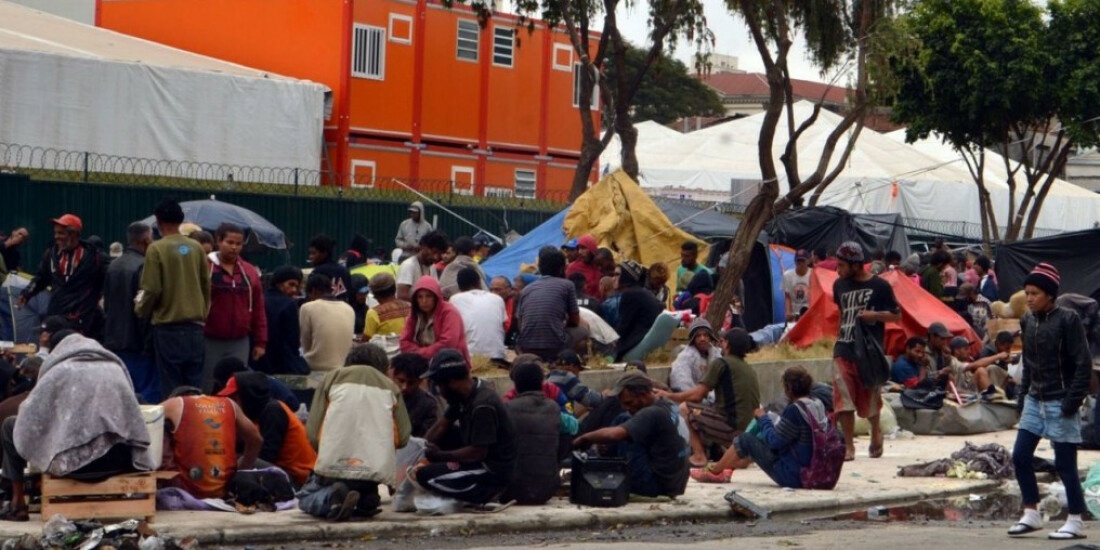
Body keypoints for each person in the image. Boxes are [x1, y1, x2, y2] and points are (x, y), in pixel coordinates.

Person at [0, 333, 156, 521]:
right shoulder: (115, 368)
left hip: (72, 466)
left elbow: (31, 418)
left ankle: (18, 504)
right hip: (122, 462)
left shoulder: (60, 372)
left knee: (10, 426)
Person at [1008, 263, 1092, 539]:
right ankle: (1031, 513)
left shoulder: (1068, 320)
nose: (1029, 298)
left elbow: (1083, 364)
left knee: (1065, 463)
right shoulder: (1028, 321)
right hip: (1035, 399)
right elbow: (1029, 364)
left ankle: (1076, 520)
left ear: (1050, 295)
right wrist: (1022, 397)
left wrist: (1071, 401)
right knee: (1020, 456)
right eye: (1027, 293)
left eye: (1035, 293)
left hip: (1060, 400)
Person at [300, 346, 411, 521]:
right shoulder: (391, 387)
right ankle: (368, 498)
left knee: (305, 497)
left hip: (334, 469)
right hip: (375, 473)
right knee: (365, 483)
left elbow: (313, 433)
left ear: (349, 362)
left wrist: (329, 454)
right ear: (383, 367)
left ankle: (332, 499)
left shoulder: (332, 379)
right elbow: (404, 437)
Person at [692, 366, 830, 489]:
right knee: (761, 425)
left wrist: (764, 419)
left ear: (789, 389)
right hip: (814, 469)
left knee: (745, 439)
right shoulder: (817, 404)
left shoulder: (795, 410)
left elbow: (774, 442)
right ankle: (726, 467)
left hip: (794, 476)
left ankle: (716, 471)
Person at [414, 349, 516, 504]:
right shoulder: (463, 396)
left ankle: (486, 493)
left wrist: (440, 455)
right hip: (474, 455)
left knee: (426, 477)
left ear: (452, 382)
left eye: (439, 385)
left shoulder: (483, 405)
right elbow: (441, 427)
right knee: (444, 436)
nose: (439, 391)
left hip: (491, 468)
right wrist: (423, 449)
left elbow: (478, 453)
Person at [135, 198, 212, 397]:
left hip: (168, 329)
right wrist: (202, 313)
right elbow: (206, 285)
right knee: (195, 388)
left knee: (173, 389)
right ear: (181, 220)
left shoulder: (156, 249)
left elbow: (152, 289)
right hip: (196, 329)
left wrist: (140, 309)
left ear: (158, 222)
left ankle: (176, 427)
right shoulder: (196, 248)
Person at [832, 241, 899, 461]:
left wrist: (875, 316)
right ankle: (849, 445)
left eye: (841, 265)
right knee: (843, 398)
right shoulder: (839, 285)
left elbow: (896, 316)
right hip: (843, 347)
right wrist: (839, 335)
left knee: (870, 396)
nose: (838, 270)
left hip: (869, 351)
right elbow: (842, 313)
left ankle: (875, 432)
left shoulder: (880, 287)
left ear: (855, 264)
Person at [572, 372, 690, 498]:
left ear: (643, 395)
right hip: (677, 483)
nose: (625, 407)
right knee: (624, 418)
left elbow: (614, 435)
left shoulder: (652, 413)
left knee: (624, 429)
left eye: (629, 402)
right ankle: (603, 455)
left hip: (657, 485)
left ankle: (605, 465)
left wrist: (583, 438)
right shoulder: (668, 404)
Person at [660, 328, 761, 468]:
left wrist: (669, 395)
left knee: (685, 408)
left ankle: (699, 455)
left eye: (723, 340)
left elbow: (696, 395)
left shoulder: (721, 363)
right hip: (748, 433)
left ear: (727, 344)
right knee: (715, 409)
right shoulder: (748, 368)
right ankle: (733, 456)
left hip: (732, 430)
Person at [162, 387, 262, 499]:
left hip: (188, 492)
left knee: (157, 431)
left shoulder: (175, 404)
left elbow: (146, 418)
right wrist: (241, 471)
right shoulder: (229, 404)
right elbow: (256, 439)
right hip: (226, 490)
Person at [219, 372, 316, 487]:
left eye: (235, 399)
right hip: (281, 472)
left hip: (296, 480)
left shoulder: (273, 411)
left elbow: (265, 455)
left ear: (248, 396)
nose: (233, 404)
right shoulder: (256, 414)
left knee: (238, 460)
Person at [18, 213, 106, 339]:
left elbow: (104, 279)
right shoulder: (51, 254)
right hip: (57, 314)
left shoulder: (93, 256)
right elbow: (41, 278)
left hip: (81, 317)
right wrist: (26, 293)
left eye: (61, 233)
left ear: (73, 234)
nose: (56, 237)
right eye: (55, 233)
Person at [203, 223, 267, 392]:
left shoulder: (249, 272)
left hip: (240, 340)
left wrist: (260, 341)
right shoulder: (204, 266)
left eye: (238, 244)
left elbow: (258, 307)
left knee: (238, 384)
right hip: (209, 339)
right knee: (209, 383)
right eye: (230, 242)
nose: (234, 247)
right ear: (219, 241)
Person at [103, 222, 159, 403]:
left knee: (122, 391)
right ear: (146, 239)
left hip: (115, 340)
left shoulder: (113, 266)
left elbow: (107, 305)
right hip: (138, 342)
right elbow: (143, 307)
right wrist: (148, 342)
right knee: (146, 394)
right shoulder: (144, 267)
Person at [503, 361, 569, 505]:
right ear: (541, 383)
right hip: (548, 489)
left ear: (516, 385)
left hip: (511, 489)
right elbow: (574, 428)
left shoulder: (507, 408)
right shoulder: (554, 408)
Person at [515, 247, 587, 362]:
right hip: (555, 347)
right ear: (561, 269)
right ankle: (569, 364)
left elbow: (520, 324)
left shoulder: (526, 290)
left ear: (539, 267)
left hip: (526, 347)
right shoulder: (567, 285)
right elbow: (575, 320)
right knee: (583, 332)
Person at [399, 275, 470, 363]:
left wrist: (420, 353)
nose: (424, 301)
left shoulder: (449, 312)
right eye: (420, 297)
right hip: (421, 360)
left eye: (428, 296)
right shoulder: (415, 314)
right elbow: (404, 341)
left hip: (449, 362)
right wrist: (420, 353)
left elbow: (448, 344)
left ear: (436, 297)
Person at [254, 266, 310, 375]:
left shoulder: (261, 299)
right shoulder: (288, 304)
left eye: (297, 287)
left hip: (259, 360)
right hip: (281, 363)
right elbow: (293, 340)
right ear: (279, 283)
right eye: (291, 284)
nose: (294, 290)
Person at [299, 273, 355, 375]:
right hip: (344, 367)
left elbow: (305, 345)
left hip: (315, 368)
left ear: (313, 291)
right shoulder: (348, 308)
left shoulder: (307, 307)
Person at [450, 267, 506, 361]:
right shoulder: (497, 299)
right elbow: (502, 325)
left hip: (471, 357)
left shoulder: (455, 299)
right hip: (497, 355)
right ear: (479, 283)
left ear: (459, 287)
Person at [615, 260, 664, 361]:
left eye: (617, 275)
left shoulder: (630, 294)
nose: (613, 278)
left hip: (635, 344)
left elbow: (624, 327)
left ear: (626, 276)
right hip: (644, 342)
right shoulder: (641, 292)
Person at [389, 353, 440, 438]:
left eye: (411, 383)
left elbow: (423, 439)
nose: (404, 387)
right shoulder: (380, 396)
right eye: (401, 381)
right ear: (393, 375)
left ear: (420, 381)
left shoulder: (428, 405)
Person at [669, 318, 722, 393]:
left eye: (705, 335)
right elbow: (681, 382)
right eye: (698, 336)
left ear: (710, 337)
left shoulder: (717, 355)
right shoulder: (685, 357)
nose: (702, 338)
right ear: (693, 339)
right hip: (694, 400)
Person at [396, 231, 449, 302]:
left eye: (439, 254)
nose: (436, 257)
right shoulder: (408, 265)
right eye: (434, 252)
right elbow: (402, 295)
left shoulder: (432, 266)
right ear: (423, 247)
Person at [363, 272, 410, 339]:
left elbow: (366, 340)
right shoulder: (410, 307)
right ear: (394, 289)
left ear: (375, 295)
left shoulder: (373, 313)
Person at [307, 234, 353, 301]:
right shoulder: (344, 271)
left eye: (313, 253)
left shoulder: (317, 272)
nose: (310, 257)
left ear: (324, 254)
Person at [783, 249, 812, 321]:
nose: (801, 263)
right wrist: (788, 312)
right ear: (795, 262)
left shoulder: (813, 274)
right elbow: (787, 296)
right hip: (794, 314)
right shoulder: (787, 275)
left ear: (808, 261)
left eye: (803, 261)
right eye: (798, 261)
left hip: (809, 313)